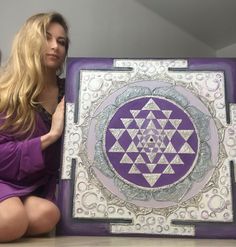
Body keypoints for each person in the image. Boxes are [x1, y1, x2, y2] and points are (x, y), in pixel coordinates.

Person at [0, 12, 69, 242]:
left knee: (48, 215)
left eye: (61, 42)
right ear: (29, 41)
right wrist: (52, 135)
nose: (55, 46)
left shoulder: (73, 90)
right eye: (46, 38)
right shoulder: (5, 94)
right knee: (12, 221)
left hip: (37, 185)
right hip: (3, 177)